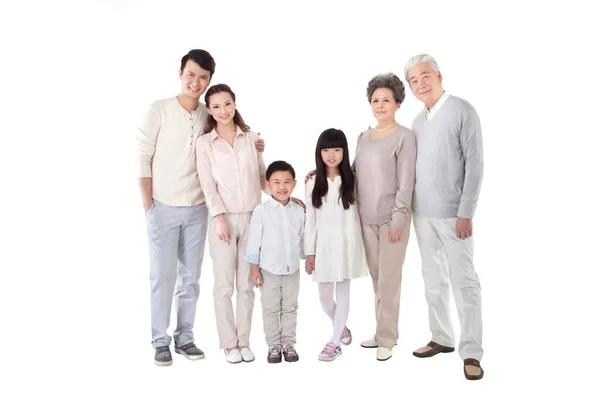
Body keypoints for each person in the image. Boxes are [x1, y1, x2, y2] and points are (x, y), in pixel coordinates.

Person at [136, 51, 265, 367]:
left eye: (203, 77)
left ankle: (185, 338)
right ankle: (159, 341)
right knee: (161, 277)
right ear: (180, 73)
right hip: (163, 206)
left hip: (198, 210)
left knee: (191, 278)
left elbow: (232, 137)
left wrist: (257, 146)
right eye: (191, 74)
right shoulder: (159, 110)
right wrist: (148, 204)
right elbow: (142, 156)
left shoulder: (210, 112)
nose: (196, 82)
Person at [404, 54, 484, 380]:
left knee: (464, 283)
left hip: (454, 216)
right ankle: (441, 337)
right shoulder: (417, 122)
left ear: (438, 75)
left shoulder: (463, 111)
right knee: (433, 280)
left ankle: (472, 352)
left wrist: (466, 212)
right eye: (413, 80)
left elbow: (475, 164)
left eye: (425, 76)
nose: (420, 84)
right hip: (421, 214)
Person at [195, 83, 268, 364]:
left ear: (234, 104)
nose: (222, 111)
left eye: (227, 104)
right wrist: (219, 218)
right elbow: (207, 183)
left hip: (253, 217)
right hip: (222, 221)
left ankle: (244, 340)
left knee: (248, 283)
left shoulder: (251, 138)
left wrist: (284, 194)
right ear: (209, 111)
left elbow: (262, 178)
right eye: (215, 106)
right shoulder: (204, 144)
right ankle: (229, 343)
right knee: (224, 284)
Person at [352, 73, 417, 361]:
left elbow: (406, 182)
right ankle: (381, 331)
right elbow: (352, 174)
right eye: (375, 100)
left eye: (386, 100)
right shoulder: (364, 137)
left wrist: (399, 219)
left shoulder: (404, 137)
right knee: (377, 279)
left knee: (390, 280)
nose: (380, 105)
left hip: (392, 219)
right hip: (365, 218)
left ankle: (388, 338)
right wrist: (322, 174)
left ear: (398, 103)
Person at [304, 128, 368, 362]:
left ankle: (333, 342)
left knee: (343, 291)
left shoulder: (352, 178)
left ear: (345, 151)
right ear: (319, 152)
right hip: (324, 246)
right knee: (323, 298)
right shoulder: (312, 181)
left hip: (347, 243)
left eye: (337, 149)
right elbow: (310, 219)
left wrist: (363, 141)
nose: (331, 155)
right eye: (326, 149)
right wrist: (309, 252)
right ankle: (341, 327)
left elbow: (364, 160)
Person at [245, 161, 306, 364]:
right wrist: (254, 268)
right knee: (270, 307)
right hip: (269, 269)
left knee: (290, 307)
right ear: (268, 184)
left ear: (294, 184)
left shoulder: (298, 211)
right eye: (277, 182)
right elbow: (254, 242)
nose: (282, 187)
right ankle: (273, 344)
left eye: (287, 182)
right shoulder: (261, 211)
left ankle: (288, 343)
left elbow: (303, 236)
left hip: (292, 269)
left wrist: (308, 257)